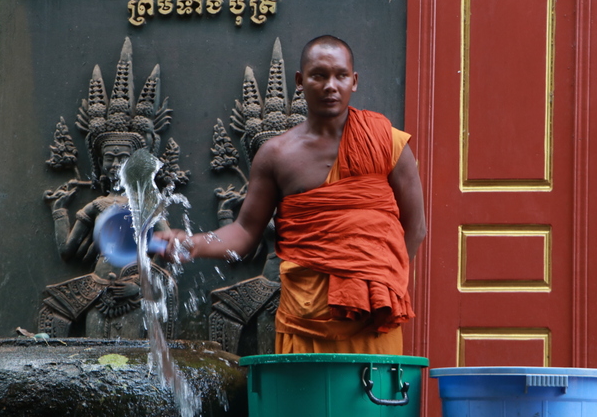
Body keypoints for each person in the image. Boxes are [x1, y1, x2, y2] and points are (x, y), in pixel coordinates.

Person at [159, 35, 426, 355]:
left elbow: (416, 228)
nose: (331, 86)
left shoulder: (386, 142)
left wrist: (379, 275)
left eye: (341, 75)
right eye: (319, 75)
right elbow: (245, 231)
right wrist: (194, 243)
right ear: (300, 81)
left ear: (354, 82)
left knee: (370, 404)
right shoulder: (277, 154)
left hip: (370, 318)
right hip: (304, 318)